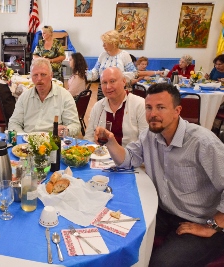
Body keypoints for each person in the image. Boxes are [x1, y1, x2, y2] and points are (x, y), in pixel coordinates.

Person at [96, 83, 224, 267]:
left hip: (202, 220)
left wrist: (212, 226)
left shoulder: (202, 143)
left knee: (161, 264)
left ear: (177, 111)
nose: (153, 114)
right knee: (117, 230)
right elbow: (128, 159)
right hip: (166, 212)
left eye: (161, 107)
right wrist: (110, 141)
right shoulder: (150, 135)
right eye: (149, 107)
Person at [8, 58, 80, 134]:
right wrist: (23, 136)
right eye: (35, 75)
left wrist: (66, 130)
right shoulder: (24, 97)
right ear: (31, 77)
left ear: (51, 75)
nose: (39, 79)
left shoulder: (65, 96)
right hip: (27, 142)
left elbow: (75, 125)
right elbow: (14, 123)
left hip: (53, 142)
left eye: (43, 74)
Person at [84, 67, 148, 146]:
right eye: (104, 82)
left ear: (124, 81)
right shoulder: (98, 106)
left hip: (130, 156)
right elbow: (88, 137)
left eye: (112, 81)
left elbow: (145, 141)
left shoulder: (140, 105)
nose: (108, 87)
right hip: (100, 156)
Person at [86, 30, 137, 101]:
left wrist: (116, 77)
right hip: (103, 90)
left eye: (105, 43)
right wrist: (85, 74)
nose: (103, 45)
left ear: (113, 43)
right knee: (103, 110)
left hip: (118, 90)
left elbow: (133, 73)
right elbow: (95, 72)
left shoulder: (124, 55)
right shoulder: (102, 55)